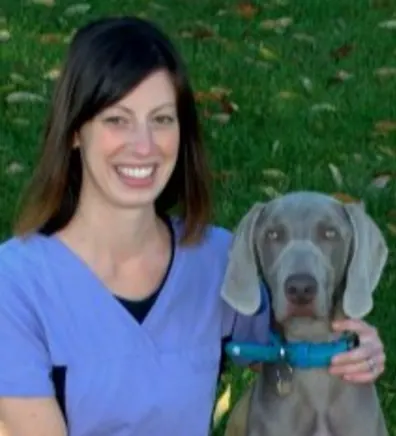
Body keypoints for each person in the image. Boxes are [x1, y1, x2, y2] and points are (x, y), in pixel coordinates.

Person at [0, 15, 385, 436]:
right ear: (75, 130)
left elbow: (293, 341)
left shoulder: (213, 260)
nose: (143, 145)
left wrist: (355, 345)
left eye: (162, 119)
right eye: (117, 119)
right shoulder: (16, 285)